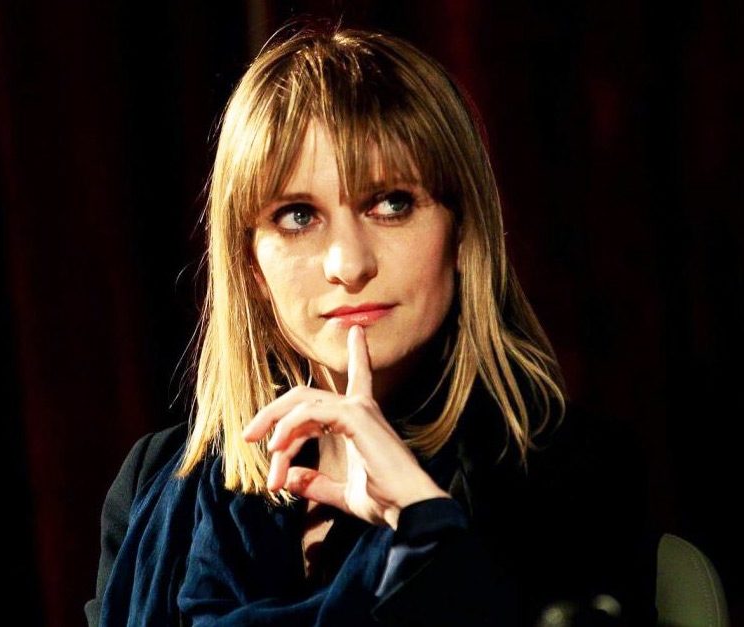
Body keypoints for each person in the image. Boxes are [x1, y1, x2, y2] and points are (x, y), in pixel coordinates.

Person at [87, 23, 656, 627]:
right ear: (250, 265)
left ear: (463, 234)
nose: (349, 264)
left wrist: (425, 524)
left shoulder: (574, 473)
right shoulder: (154, 481)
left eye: (392, 204)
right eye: (298, 216)